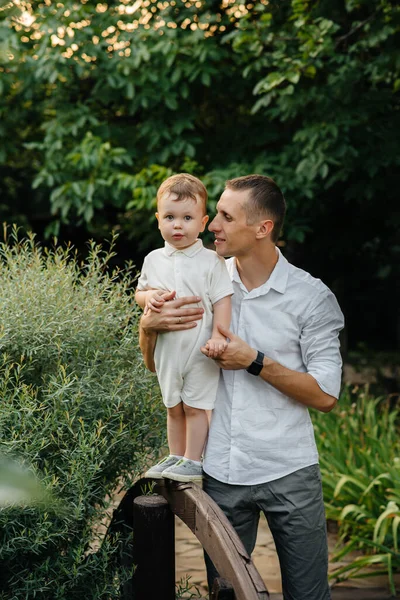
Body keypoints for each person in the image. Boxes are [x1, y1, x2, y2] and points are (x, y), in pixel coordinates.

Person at [139, 174, 344, 600]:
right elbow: (158, 369)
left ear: (262, 228)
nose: (212, 224)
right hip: (220, 472)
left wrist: (254, 361)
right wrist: (147, 328)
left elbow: (325, 396)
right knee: (226, 593)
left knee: (308, 594)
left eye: (226, 217)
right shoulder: (198, 276)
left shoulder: (311, 298)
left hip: (289, 469)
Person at [135, 173, 233, 483]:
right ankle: (176, 455)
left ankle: (193, 459)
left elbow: (222, 300)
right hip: (167, 350)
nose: (178, 225)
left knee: (194, 406)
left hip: (199, 348)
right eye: (170, 217)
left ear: (203, 222)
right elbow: (140, 292)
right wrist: (149, 298)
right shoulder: (153, 259)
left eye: (187, 218)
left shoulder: (211, 261)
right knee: (172, 405)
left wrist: (219, 334)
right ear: (158, 219)